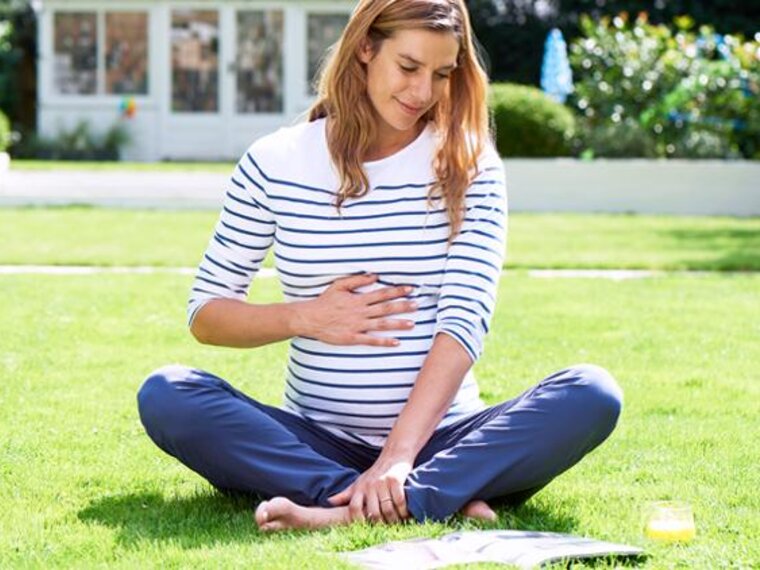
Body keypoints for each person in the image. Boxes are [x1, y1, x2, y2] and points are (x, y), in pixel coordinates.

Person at [137, 0, 623, 532]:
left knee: (591, 393)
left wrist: (397, 457)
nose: (423, 92)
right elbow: (206, 313)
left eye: (442, 74)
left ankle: (355, 504)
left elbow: (463, 323)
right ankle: (420, 496)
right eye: (408, 67)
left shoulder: (469, 163)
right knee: (169, 395)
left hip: (442, 438)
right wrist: (307, 317)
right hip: (317, 438)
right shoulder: (275, 163)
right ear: (366, 47)